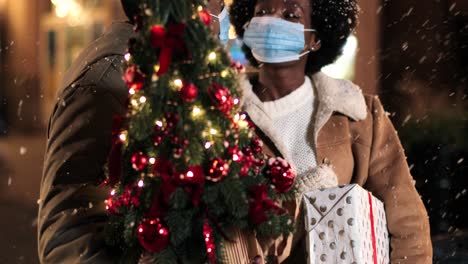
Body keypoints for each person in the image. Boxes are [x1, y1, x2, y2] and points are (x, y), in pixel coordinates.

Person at [220, 0, 432, 263]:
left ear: (315, 39)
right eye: (262, 12)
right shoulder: (221, 115)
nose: (271, 22)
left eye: (290, 15)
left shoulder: (359, 115)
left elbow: (407, 223)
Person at [37, 1, 226, 263]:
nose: (222, 9)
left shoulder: (172, 71)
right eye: (217, 2)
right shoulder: (110, 79)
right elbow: (69, 236)